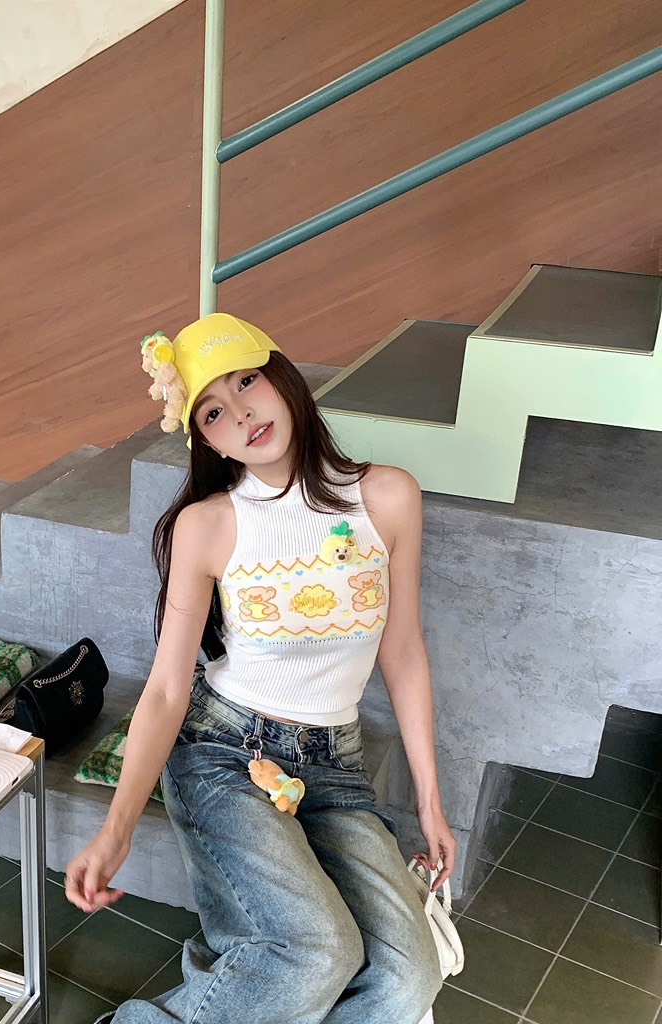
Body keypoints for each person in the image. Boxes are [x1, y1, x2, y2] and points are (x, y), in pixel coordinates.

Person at [65, 312, 456, 1024]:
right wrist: (116, 828)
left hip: (334, 766)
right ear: (206, 439)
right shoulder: (208, 525)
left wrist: (431, 801)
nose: (241, 413)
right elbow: (166, 690)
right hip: (224, 753)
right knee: (316, 951)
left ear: (284, 378)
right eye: (214, 411)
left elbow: (402, 650)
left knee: (408, 978)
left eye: (247, 382)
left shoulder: (390, 497)